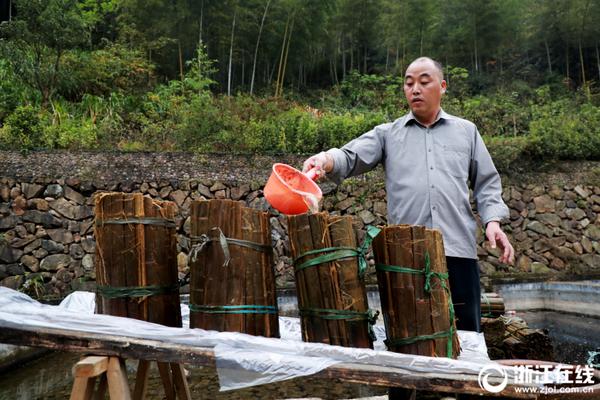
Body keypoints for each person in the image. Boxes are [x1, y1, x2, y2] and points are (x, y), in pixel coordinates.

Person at [302, 57, 514, 335]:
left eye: (424, 82)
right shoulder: (388, 134)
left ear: (442, 86)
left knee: (466, 336)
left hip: (457, 252)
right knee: (409, 336)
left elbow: (486, 182)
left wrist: (493, 222)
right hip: (405, 256)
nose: (415, 89)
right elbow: (350, 155)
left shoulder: (466, 132)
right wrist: (324, 159)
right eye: (409, 82)